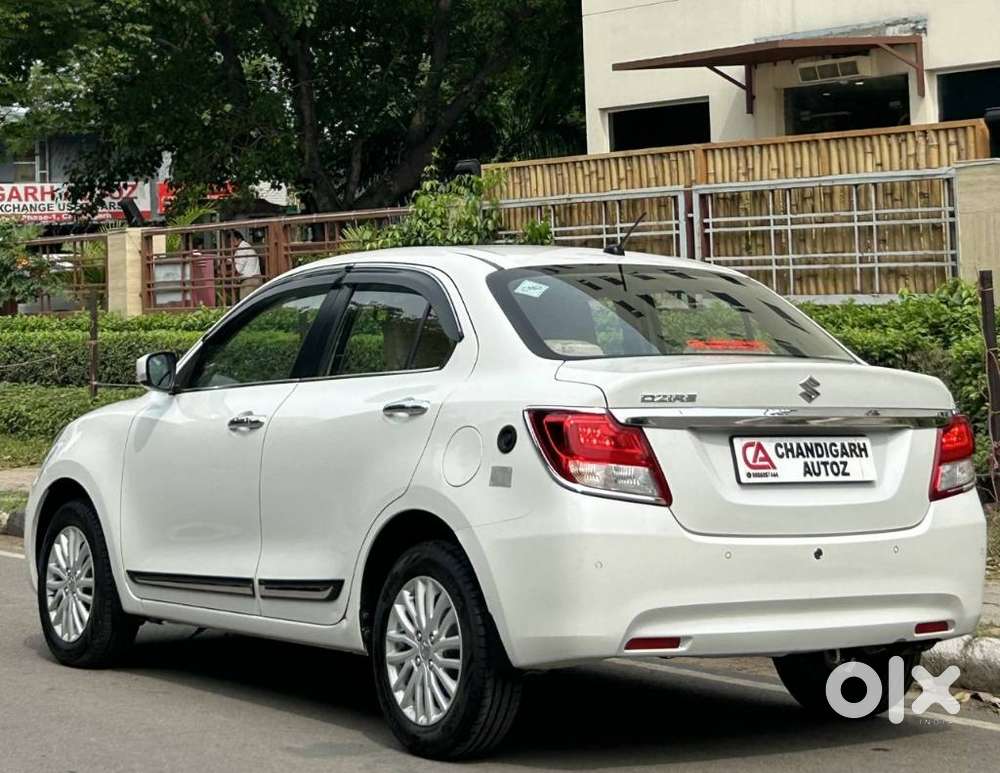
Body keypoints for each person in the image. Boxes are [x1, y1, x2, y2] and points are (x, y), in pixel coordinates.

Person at [228, 230, 263, 300]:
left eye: (233, 240)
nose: (231, 243)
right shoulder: (246, 246)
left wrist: (230, 262)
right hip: (256, 279)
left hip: (248, 282)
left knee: (245, 304)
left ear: (239, 239)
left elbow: (238, 269)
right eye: (230, 241)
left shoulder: (241, 249)